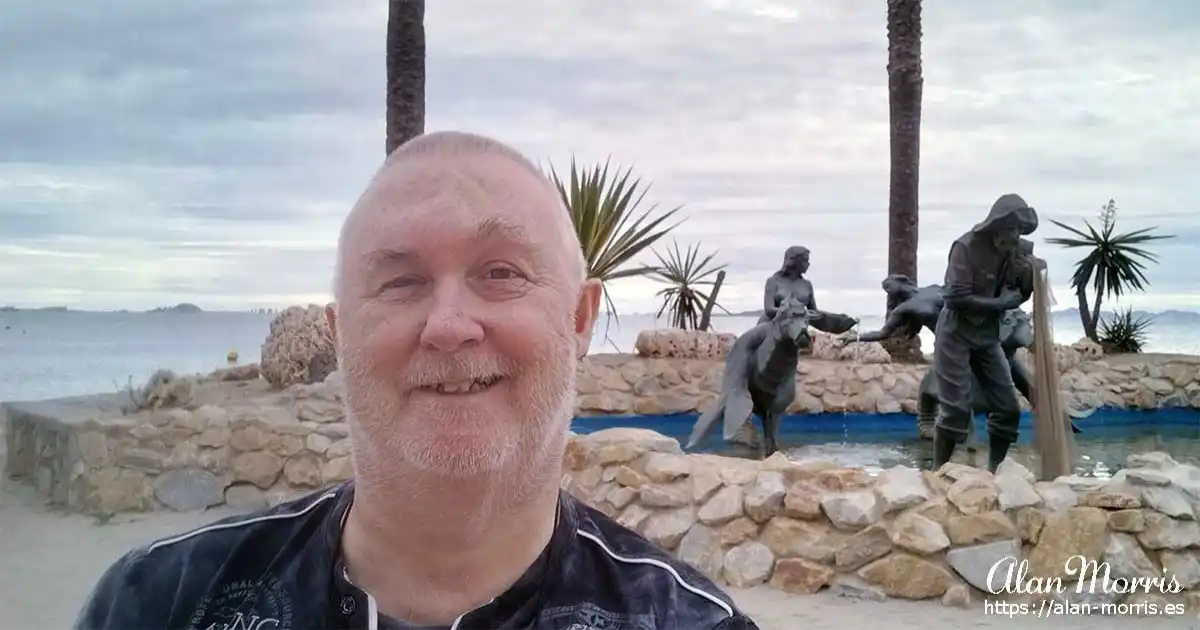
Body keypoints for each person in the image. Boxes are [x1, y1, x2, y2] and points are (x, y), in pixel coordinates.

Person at [73, 132, 760, 630]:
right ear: (342, 335)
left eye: (500, 273)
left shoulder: (684, 622)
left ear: (579, 319)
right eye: (401, 281)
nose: (449, 325)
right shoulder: (163, 601)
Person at [931, 193, 1039, 472]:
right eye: (1011, 228)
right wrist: (999, 304)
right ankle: (935, 471)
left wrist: (1029, 280)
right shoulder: (965, 247)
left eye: (1019, 230)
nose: (1015, 236)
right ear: (997, 225)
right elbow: (954, 298)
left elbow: (1021, 290)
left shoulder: (1016, 251)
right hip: (956, 333)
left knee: (1008, 409)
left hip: (987, 337)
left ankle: (994, 472)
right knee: (955, 411)